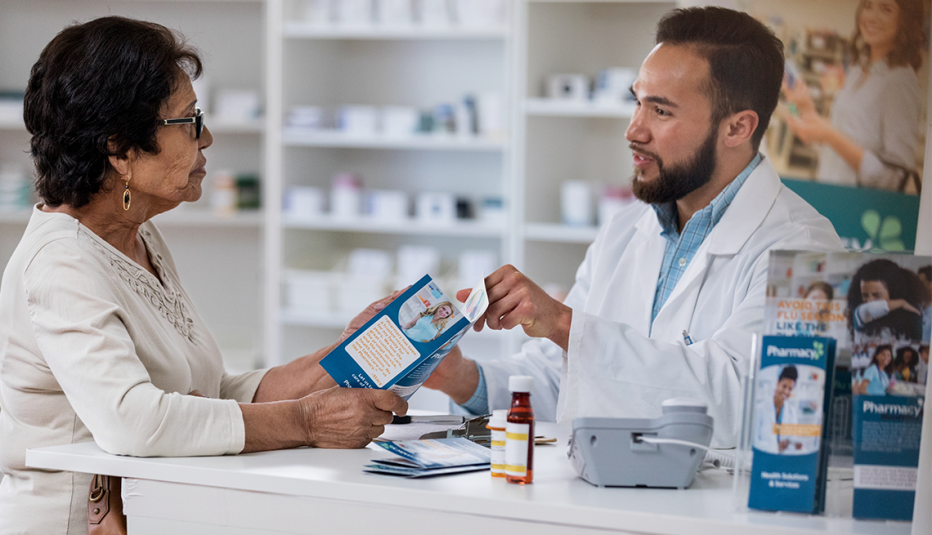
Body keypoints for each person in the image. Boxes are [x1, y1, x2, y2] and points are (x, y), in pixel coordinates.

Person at [0, 17, 407, 535]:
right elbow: (137, 421)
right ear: (121, 150)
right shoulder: (61, 263)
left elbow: (211, 391)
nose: (207, 137)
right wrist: (307, 422)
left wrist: (349, 354)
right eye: (189, 121)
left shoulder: (136, 237)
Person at [423, 7, 843, 448]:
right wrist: (462, 378)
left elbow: (749, 403)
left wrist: (564, 323)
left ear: (738, 127)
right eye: (637, 102)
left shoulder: (806, 252)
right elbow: (562, 381)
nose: (633, 130)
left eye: (661, 111)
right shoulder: (625, 230)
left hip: (706, 514)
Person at [782, 0, 925, 190]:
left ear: (905, 20)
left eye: (886, 9)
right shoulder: (858, 71)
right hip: (830, 191)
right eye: (868, 5)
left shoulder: (900, 81)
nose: (871, 17)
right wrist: (802, 107)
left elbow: (895, 179)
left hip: (857, 207)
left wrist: (829, 135)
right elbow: (839, 137)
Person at [846, 259, 927, 341]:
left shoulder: (909, 321)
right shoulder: (858, 314)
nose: (869, 301)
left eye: (876, 295)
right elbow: (868, 309)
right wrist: (902, 303)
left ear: (893, 293)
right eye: (865, 295)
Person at [754, 365, 801, 454]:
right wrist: (775, 447)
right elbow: (754, 442)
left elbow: (793, 440)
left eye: (790, 389)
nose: (786, 391)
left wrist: (790, 444)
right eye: (784, 386)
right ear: (777, 384)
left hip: (783, 461)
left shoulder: (792, 412)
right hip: (764, 459)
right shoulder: (760, 409)